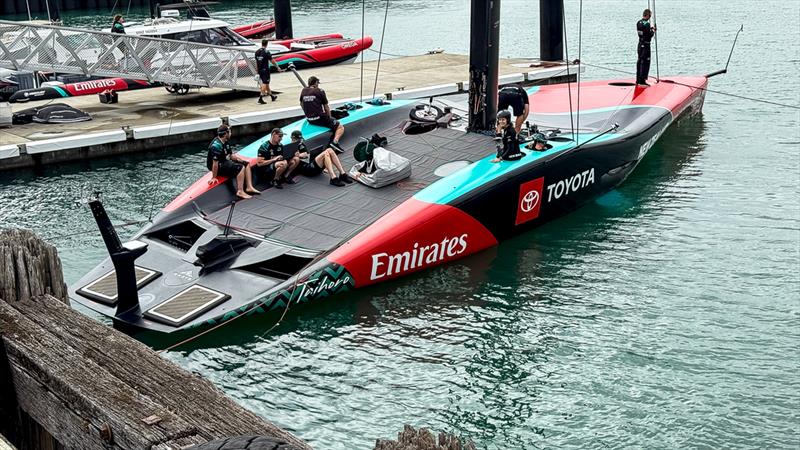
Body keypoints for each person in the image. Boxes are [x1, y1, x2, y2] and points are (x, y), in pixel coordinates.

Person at [207, 125, 260, 199]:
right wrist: (214, 177)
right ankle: (240, 191)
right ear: (226, 134)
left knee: (246, 164)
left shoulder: (225, 141)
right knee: (240, 168)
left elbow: (231, 155)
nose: (231, 133)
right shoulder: (216, 146)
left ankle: (249, 187)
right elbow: (215, 164)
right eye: (230, 132)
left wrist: (241, 160)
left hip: (223, 161)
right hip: (218, 166)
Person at [300, 76, 345, 153]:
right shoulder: (320, 91)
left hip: (309, 119)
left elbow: (301, 104)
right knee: (340, 127)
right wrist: (330, 118)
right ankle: (335, 143)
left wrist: (307, 113)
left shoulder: (303, 90)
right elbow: (326, 107)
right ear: (316, 83)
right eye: (318, 83)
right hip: (320, 118)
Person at [255, 39, 283, 104]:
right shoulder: (266, 52)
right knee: (265, 83)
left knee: (266, 83)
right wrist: (278, 67)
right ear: (267, 44)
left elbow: (257, 62)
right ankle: (260, 98)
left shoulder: (257, 52)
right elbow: (272, 60)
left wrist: (257, 71)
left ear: (262, 44)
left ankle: (272, 96)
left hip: (260, 70)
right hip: (265, 70)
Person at [636, 8, 656, 87]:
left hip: (640, 44)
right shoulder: (647, 24)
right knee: (645, 62)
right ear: (647, 15)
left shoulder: (638, 22)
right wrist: (653, 31)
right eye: (650, 16)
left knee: (640, 61)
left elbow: (643, 32)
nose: (650, 17)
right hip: (646, 45)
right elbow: (649, 35)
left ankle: (638, 79)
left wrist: (649, 30)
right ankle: (643, 80)